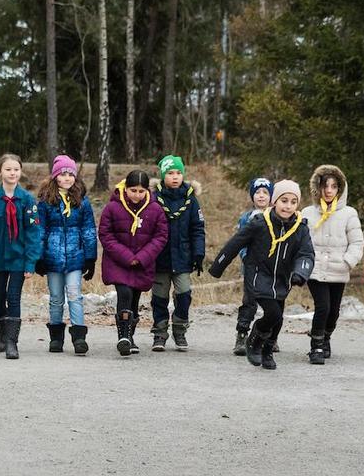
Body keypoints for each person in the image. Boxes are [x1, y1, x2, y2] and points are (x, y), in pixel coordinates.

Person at [209, 180, 315, 370]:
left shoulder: (300, 228)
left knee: (279, 318)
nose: (288, 206)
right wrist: (218, 266)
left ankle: (267, 350)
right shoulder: (259, 222)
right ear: (274, 201)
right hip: (258, 275)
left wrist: (300, 272)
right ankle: (255, 338)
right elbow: (235, 243)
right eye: (284, 201)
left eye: (293, 202)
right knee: (272, 314)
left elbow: (306, 254)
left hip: (282, 278)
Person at [0, 154, 43, 360]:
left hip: (19, 258)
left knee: (13, 297)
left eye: (16, 169)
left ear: (20, 172)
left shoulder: (27, 200)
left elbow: (33, 233)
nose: (12, 173)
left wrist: (31, 262)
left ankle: (12, 342)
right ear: (0, 172)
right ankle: (2, 331)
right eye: (8, 169)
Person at [97, 170, 169, 356]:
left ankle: (131, 336)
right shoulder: (112, 207)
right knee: (125, 293)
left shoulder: (155, 209)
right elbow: (106, 234)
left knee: (135, 298)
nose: (137, 195)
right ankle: (124, 337)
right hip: (118, 261)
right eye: (133, 190)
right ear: (125, 188)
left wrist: (142, 257)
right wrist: (127, 256)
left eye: (141, 191)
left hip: (143, 263)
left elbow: (161, 236)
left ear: (147, 191)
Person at [299, 165, 364, 364]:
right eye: (324, 186)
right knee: (323, 307)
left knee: (334, 312)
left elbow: (357, 242)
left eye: (333, 186)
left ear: (340, 189)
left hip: (339, 269)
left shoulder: (348, 213)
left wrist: (348, 261)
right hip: (315, 269)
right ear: (317, 188)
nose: (328, 191)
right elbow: (299, 241)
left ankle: (325, 337)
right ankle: (316, 346)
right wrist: (302, 264)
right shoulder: (307, 213)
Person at [35, 154, 96, 355]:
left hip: (75, 257)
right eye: (63, 174)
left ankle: (79, 337)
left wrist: (90, 257)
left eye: (71, 174)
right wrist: (39, 257)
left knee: (74, 295)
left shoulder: (82, 201)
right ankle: (56, 338)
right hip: (52, 257)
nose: (67, 178)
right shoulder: (45, 202)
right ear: (55, 177)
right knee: (55, 297)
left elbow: (88, 230)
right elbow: (40, 231)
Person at [150, 155, 205, 351]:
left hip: (183, 257)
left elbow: (197, 228)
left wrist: (198, 254)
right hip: (160, 258)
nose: (175, 177)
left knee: (184, 294)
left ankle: (180, 329)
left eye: (179, 173)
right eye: (171, 173)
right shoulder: (154, 199)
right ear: (163, 175)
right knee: (159, 297)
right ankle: (160, 332)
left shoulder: (191, 200)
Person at [232, 177, 272, 355]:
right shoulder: (247, 217)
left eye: (265, 192)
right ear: (252, 196)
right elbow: (240, 241)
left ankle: (269, 337)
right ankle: (241, 335)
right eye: (257, 192)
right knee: (249, 301)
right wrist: (246, 257)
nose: (261, 196)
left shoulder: (276, 216)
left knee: (273, 303)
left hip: (272, 268)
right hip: (251, 266)